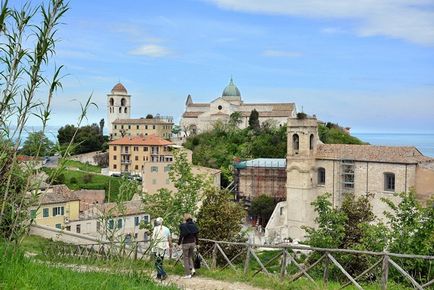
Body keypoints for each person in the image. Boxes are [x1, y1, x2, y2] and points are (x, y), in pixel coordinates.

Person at [178, 213, 199, 279]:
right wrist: (197, 244)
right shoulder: (194, 225)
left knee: (185, 258)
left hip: (186, 244)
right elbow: (196, 236)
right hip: (192, 243)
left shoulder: (184, 225)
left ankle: (188, 274)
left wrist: (179, 243)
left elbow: (181, 235)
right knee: (190, 257)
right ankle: (193, 269)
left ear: (185, 218)